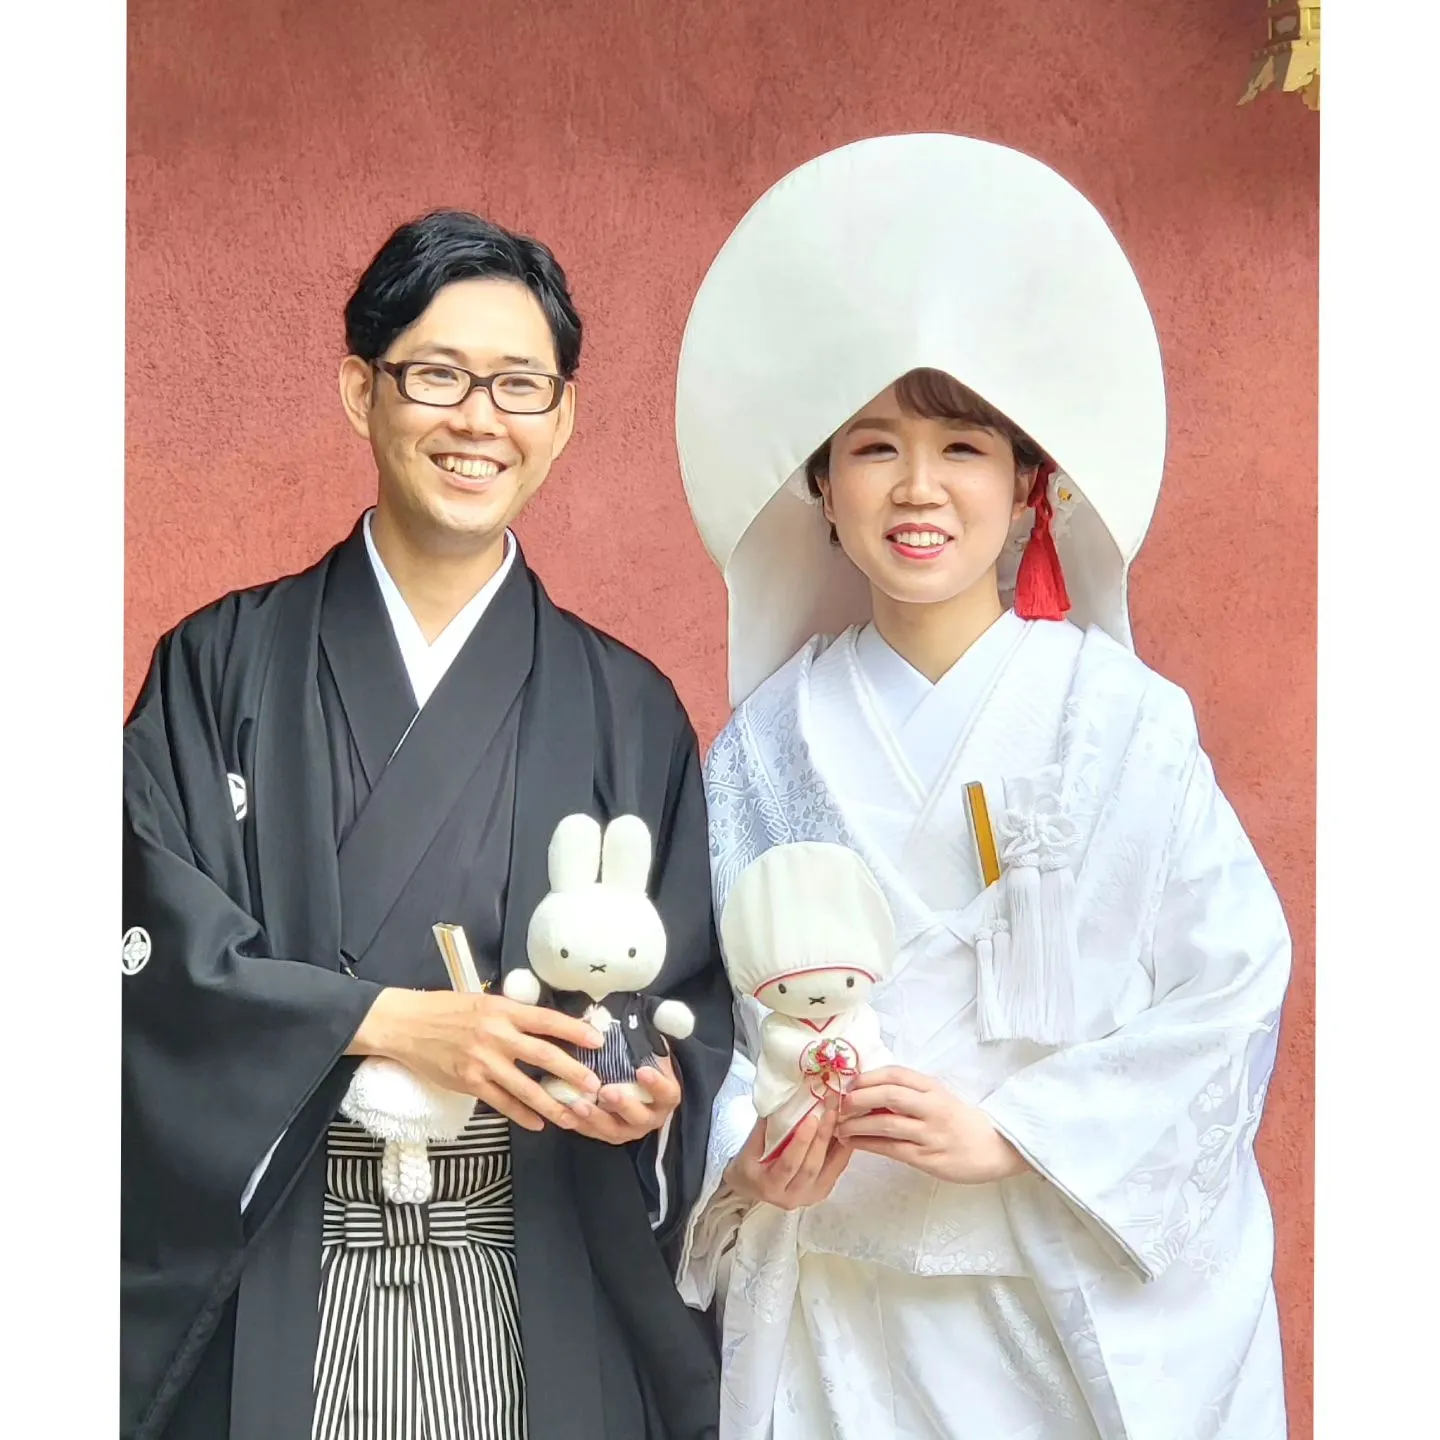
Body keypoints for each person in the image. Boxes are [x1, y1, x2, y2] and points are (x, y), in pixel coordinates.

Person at [673, 136, 1292, 1439]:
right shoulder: (766, 743)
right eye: (873, 447)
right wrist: (759, 1151)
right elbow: (713, 1011)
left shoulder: (1124, 722)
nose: (918, 489)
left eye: (963, 447)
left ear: (1028, 489)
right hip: (847, 1309)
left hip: (1051, 1290)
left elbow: (1233, 980)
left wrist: (1019, 1134)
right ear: (821, 489)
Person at [122, 209, 732, 1440]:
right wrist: (392, 1023)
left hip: (531, 1267)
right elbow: (144, 956)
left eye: (519, 385)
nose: (478, 420)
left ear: (560, 418)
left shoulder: (626, 707)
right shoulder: (219, 666)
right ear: (362, 391)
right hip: (283, 1270)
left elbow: (692, 1008)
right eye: (438, 375)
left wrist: (651, 1103)